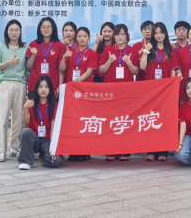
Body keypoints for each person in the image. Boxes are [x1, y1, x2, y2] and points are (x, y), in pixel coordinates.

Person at [139, 22, 179, 161]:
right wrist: (145, 51)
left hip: (165, 91)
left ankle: (163, 151)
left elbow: (173, 71)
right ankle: (151, 150)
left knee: (163, 120)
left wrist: (173, 88)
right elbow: (142, 66)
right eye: (156, 33)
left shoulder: (171, 50)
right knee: (150, 119)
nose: (158, 35)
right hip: (150, 90)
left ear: (165, 33)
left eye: (161, 32)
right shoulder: (149, 48)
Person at [98, 24, 139, 161]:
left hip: (127, 91)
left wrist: (128, 62)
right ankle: (111, 150)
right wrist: (109, 61)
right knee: (110, 120)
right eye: (117, 34)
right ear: (114, 36)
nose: (120, 37)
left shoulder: (132, 51)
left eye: (122, 34)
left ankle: (124, 150)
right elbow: (101, 71)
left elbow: (136, 71)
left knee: (125, 120)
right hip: (110, 91)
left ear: (127, 36)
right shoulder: (107, 51)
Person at [59, 26, 98, 161]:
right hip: (72, 91)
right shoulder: (69, 52)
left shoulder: (92, 53)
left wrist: (76, 82)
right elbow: (62, 69)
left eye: (85, 36)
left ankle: (85, 150)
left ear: (89, 38)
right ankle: (73, 150)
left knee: (85, 119)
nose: (82, 39)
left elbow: (89, 71)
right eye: (79, 36)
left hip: (85, 89)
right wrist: (63, 57)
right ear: (76, 37)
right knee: (73, 120)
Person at [0, 19, 28, 162]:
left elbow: (28, 69)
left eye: (17, 30)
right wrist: (8, 63)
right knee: (2, 118)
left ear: (20, 32)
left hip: (20, 84)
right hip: (5, 84)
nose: (14, 32)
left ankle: (14, 147)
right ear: (7, 32)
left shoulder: (25, 48)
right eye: (11, 30)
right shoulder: (1, 47)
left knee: (17, 119)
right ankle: (1, 150)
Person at [18, 76, 63, 170]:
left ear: (50, 89)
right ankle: (26, 161)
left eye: (46, 87)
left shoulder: (54, 105)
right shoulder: (30, 103)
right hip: (34, 139)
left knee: (56, 161)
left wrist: (52, 148)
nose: (43, 89)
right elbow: (26, 122)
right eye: (40, 86)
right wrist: (25, 108)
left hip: (47, 140)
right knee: (26, 132)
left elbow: (54, 126)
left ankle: (42, 158)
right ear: (36, 88)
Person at [25, 17, 65, 99]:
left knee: (51, 107)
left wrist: (60, 86)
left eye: (48, 27)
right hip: (35, 84)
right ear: (39, 29)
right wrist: (33, 56)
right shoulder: (33, 44)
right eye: (43, 27)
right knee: (33, 107)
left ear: (53, 28)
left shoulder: (60, 45)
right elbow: (28, 66)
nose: (45, 29)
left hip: (52, 85)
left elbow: (61, 70)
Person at [58, 21, 77, 98]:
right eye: (66, 31)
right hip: (59, 80)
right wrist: (62, 45)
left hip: (74, 80)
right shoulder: (59, 46)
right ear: (62, 33)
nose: (68, 33)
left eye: (71, 30)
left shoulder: (79, 47)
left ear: (75, 32)